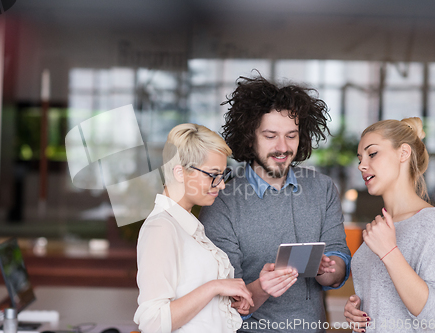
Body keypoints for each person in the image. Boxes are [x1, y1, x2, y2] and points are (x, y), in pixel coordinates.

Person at [199, 75, 351, 333]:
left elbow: (338, 257)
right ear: (250, 138)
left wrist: (329, 269)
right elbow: (223, 302)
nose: (283, 147)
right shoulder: (222, 200)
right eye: (271, 136)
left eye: (291, 136)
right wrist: (261, 287)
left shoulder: (322, 189)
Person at [135, 123, 265, 333]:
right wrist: (215, 287)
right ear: (179, 172)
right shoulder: (161, 228)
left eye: (223, 175)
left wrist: (226, 300)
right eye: (213, 174)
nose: (221, 185)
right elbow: (153, 322)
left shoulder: (185, 226)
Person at [344, 118, 435, 333]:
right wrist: (356, 313)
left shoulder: (431, 225)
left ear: (403, 153)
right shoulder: (378, 230)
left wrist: (389, 252)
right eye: (360, 158)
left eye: (372, 153)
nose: (361, 165)